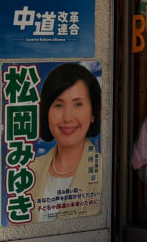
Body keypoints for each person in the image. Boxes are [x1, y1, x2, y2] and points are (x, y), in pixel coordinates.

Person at [30, 63, 103, 208]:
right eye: (58, 105)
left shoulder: (105, 171)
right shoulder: (30, 170)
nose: (67, 117)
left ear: (93, 113)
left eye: (78, 104)